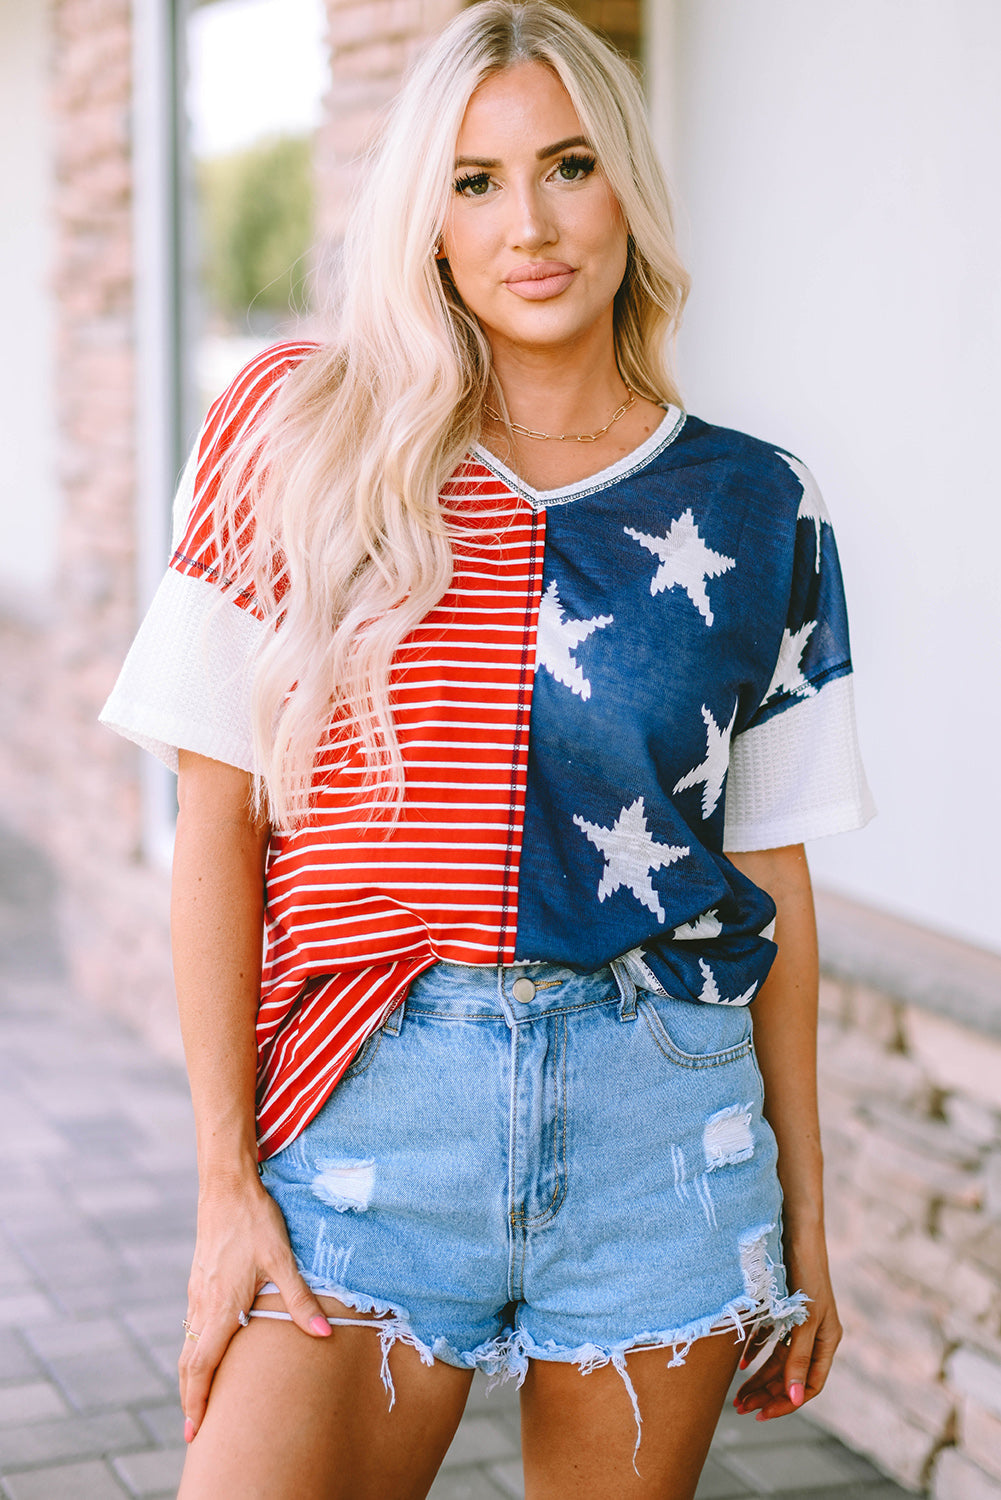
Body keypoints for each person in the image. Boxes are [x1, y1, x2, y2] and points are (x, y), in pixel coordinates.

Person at [101, 3, 874, 1495]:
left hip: (663, 1116)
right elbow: (220, 820)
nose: (527, 221)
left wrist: (805, 1225)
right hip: (369, 1097)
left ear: (625, 192)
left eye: (567, 166)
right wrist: (219, 1184)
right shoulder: (301, 430)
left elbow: (768, 871)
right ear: (426, 221)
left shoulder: (755, 503)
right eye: (472, 180)